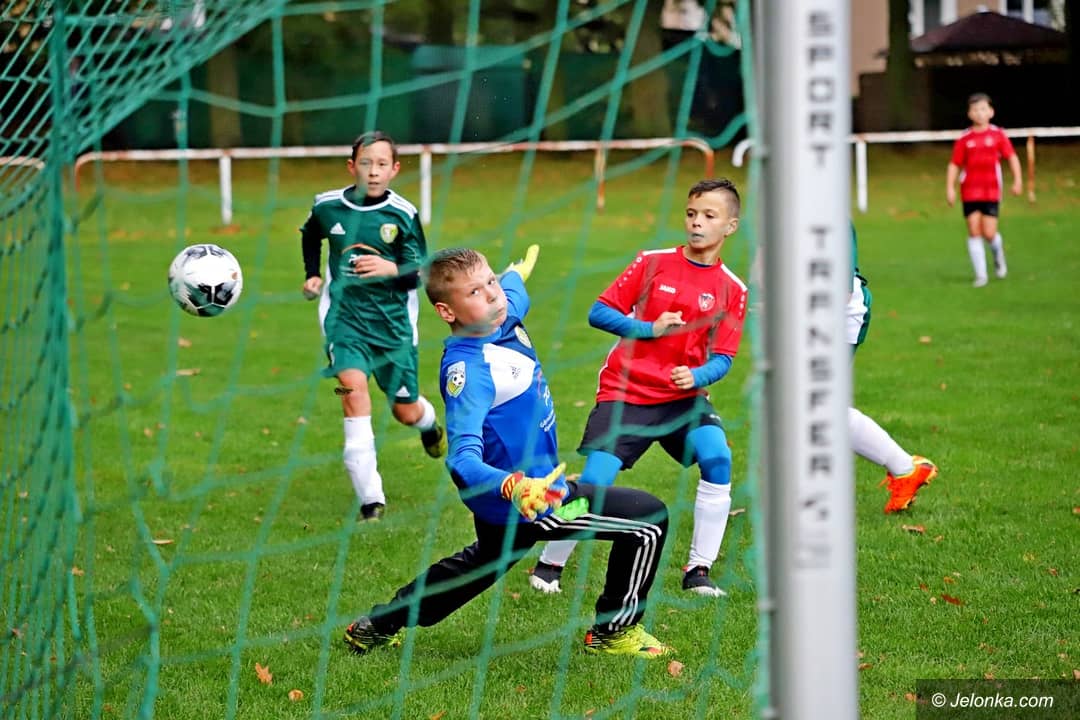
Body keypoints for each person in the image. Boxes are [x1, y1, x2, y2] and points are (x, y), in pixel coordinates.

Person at [343, 246, 672, 659]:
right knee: (647, 519)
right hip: (535, 501)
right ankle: (614, 631)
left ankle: (378, 624)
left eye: (491, 282)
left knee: (481, 564)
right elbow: (461, 459)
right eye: (475, 292)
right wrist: (515, 486)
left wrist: (514, 273)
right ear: (447, 311)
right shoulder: (472, 373)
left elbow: (514, 290)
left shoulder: (503, 312)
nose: (492, 295)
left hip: (504, 506)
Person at [530, 178, 747, 599]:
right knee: (596, 480)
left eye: (709, 216)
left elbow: (723, 357)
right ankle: (550, 564)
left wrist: (697, 377)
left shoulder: (733, 289)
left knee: (718, 457)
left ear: (730, 226)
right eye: (691, 213)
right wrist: (648, 328)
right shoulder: (653, 262)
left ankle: (698, 570)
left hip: (683, 399)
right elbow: (599, 312)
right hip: (626, 392)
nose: (697, 222)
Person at [300, 131, 446, 521]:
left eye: (382, 164)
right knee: (351, 392)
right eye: (366, 163)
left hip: (393, 329)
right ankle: (371, 501)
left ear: (394, 169)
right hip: (344, 323)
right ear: (352, 167)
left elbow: (420, 273)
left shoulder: (402, 214)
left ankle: (429, 425)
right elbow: (310, 235)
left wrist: (390, 268)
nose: (374, 171)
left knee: (405, 412)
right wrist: (313, 275)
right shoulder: (328, 206)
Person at [847, 223, 938, 513]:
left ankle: (905, 469)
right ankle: (905, 469)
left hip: (840, 312)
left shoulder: (826, 212)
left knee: (816, 406)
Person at [945, 92, 1023, 288]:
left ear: (991, 112)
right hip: (969, 191)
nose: (979, 113)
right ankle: (981, 275)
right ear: (969, 114)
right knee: (974, 230)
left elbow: (1012, 157)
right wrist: (950, 188)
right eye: (975, 110)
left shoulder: (998, 135)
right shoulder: (965, 139)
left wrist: (1017, 180)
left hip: (991, 191)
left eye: (983, 109)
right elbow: (954, 164)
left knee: (989, 233)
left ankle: (998, 256)